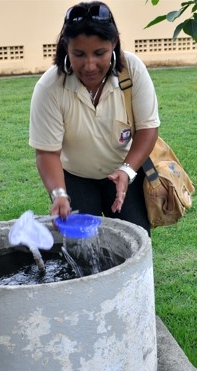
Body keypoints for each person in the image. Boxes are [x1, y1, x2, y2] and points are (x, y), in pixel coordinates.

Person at [29, 1, 160, 235]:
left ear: (114, 44)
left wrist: (127, 171)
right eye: (79, 54)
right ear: (65, 47)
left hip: (123, 171)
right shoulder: (50, 87)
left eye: (100, 53)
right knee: (80, 250)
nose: (90, 65)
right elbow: (47, 152)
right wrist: (59, 193)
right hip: (75, 178)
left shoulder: (132, 70)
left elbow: (148, 129)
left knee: (135, 241)